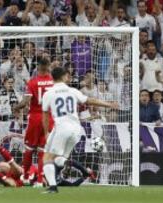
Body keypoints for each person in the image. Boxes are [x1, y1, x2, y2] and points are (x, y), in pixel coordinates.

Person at [41, 67, 118, 193]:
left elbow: (45, 116)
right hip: (76, 129)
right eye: (68, 75)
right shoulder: (72, 91)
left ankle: (53, 187)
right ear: (64, 76)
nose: (69, 78)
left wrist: (45, 133)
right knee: (59, 159)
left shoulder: (48, 93)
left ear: (52, 78)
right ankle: (85, 171)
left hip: (62, 128)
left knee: (47, 158)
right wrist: (108, 104)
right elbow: (90, 101)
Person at [13, 58, 54, 187]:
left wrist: (16, 107)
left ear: (38, 67)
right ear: (48, 66)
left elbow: (25, 102)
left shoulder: (33, 82)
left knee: (29, 149)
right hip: (49, 118)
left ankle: (25, 177)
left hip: (36, 118)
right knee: (43, 150)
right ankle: (40, 181)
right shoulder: (54, 82)